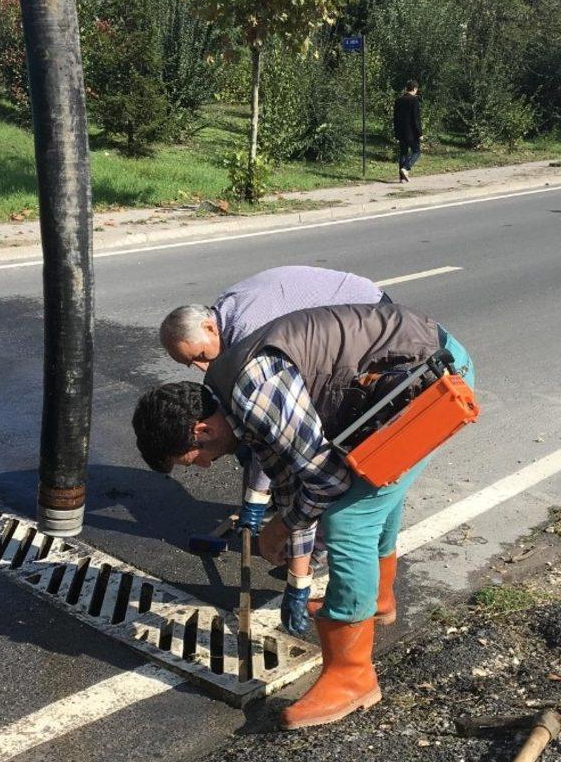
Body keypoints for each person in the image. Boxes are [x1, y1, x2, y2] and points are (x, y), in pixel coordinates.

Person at [133, 302, 474, 730]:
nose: (199, 470)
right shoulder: (230, 398)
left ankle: (353, 677)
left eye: (190, 461)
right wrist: (288, 529)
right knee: (370, 494)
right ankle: (378, 601)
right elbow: (290, 477)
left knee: (350, 518)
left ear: (201, 431)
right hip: (400, 371)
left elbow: (325, 482)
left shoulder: (251, 392)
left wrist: (284, 524)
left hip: (430, 377)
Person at [160, 266, 391, 569]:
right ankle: (301, 525)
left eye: (201, 356)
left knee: (329, 452)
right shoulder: (227, 316)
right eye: (191, 364)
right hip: (339, 330)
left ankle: (319, 548)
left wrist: (257, 500)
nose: (203, 368)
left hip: (370, 321)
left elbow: (272, 426)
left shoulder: (249, 334)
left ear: (209, 328)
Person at [393, 80, 423, 183]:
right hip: (412, 133)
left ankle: (401, 178)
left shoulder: (398, 100)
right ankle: (406, 168)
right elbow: (416, 119)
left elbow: (395, 118)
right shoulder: (414, 100)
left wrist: (396, 132)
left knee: (403, 153)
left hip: (401, 132)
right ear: (414, 89)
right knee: (416, 151)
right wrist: (419, 133)